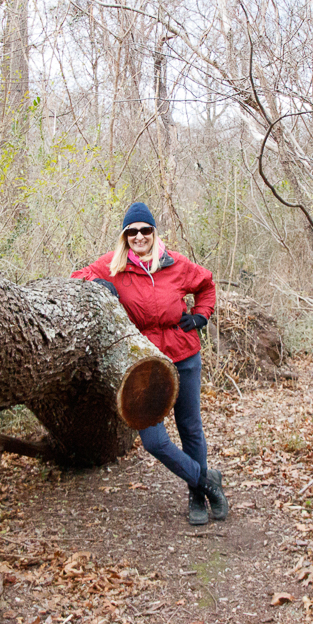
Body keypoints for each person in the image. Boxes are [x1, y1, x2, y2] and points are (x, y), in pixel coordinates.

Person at [72, 202, 229, 526]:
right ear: (125, 236)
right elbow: (76, 278)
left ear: (154, 233)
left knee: (190, 428)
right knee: (154, 441)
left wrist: (200, 316)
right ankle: (206, 479)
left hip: (184, 356)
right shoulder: (113, 266)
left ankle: (196, 495)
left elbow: (207, 284)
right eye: (132, 231)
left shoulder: (175, 264)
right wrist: (96, 287)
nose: (139, 236)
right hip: (145, 365)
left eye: (145, 230)